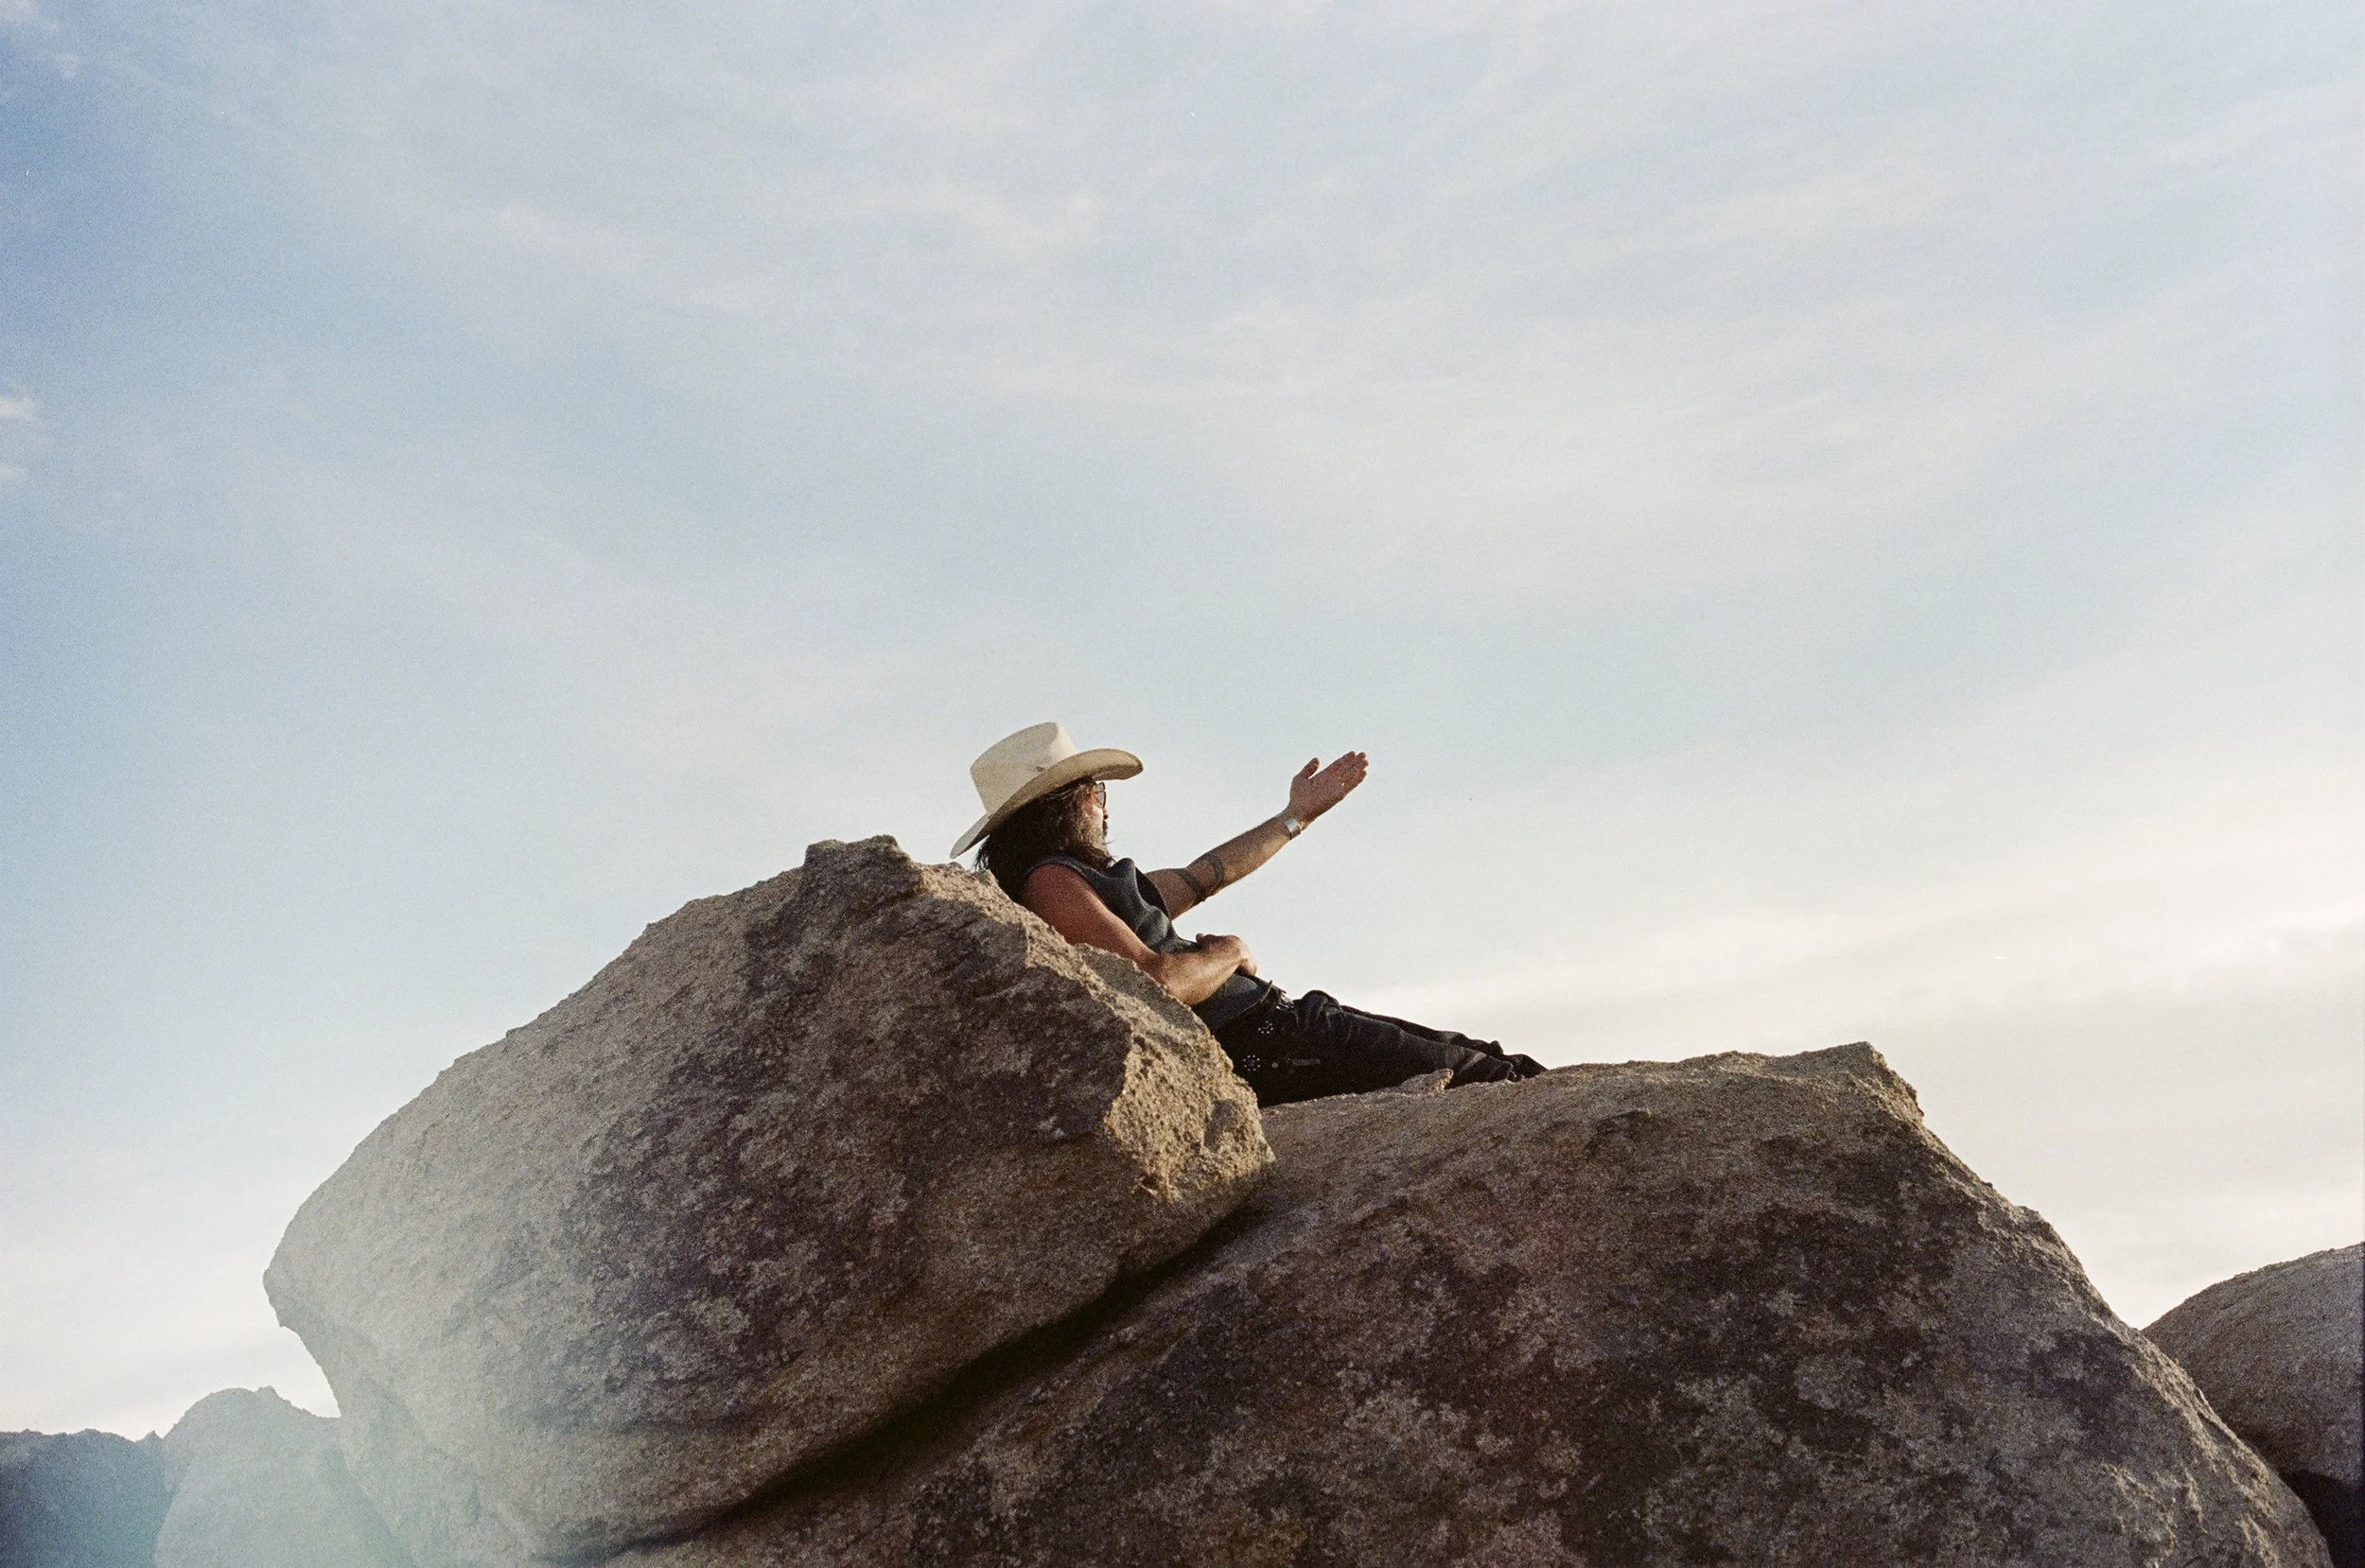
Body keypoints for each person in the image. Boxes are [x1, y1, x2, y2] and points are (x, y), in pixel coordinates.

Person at [954, 722, 1547, 1106]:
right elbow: (1153, 983)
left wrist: (1298, 816)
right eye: (1097, 793)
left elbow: (1209, 872)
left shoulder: (1095, 881)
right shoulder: (1051, 881)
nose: (1106, 809)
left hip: (1289, 1025)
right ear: (1070, 802)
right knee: (1480, 1081)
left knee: (1487, 1061)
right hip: (1267, 1042)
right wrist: (1230, 952)